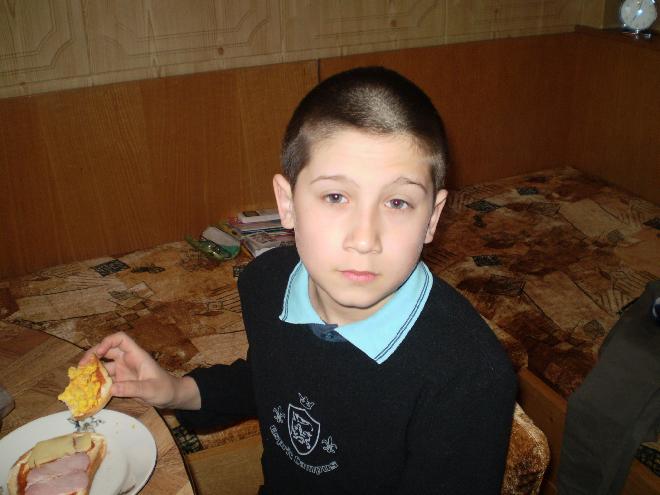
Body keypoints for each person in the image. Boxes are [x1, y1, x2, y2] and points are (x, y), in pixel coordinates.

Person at [83, 67, 516, 494]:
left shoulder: (469, 374)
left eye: (398, 202)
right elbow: (275, 378)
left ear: (432, 218)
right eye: (336, 196)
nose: (365, 239)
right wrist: (176, 390)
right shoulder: (266, 282)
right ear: (287, 203)